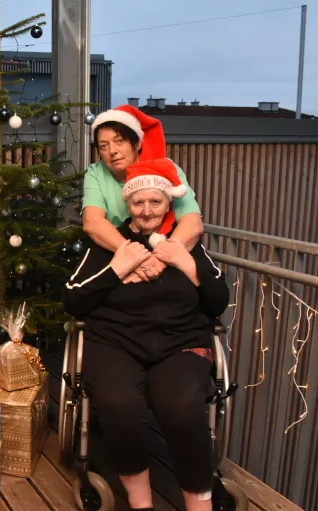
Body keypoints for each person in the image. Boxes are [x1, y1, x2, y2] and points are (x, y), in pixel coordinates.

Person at [64, 158, 229, 511]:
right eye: (138, 202)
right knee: (120, 404)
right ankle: (141, 503)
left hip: (181, 345)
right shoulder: (112, 243)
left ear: (169, 203)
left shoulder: (185, 244)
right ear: (128, 205)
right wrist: (117, 268)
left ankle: (199, 504)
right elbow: (74, 299)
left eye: (155, 202)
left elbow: (218, 302)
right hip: (115, 343)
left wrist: (185, 264)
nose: (146, 210)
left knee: (183, 406)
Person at [83, 105, 204, 283]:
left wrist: (160, 259)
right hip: (117, 254)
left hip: (167, 253)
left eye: (120, 141)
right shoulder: (96, 173)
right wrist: (134, 258)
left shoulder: (168, 169)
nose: (113, 151)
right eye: (103, 146)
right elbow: (93, 223)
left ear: (138, 143)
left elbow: (193, 223)